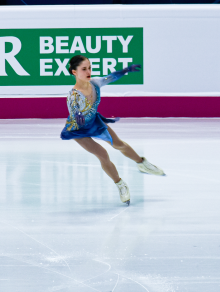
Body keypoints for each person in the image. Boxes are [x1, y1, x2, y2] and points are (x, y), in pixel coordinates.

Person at [60, 55, 165, 205]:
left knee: (118, 144)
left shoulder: (95, 83)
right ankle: (120, 184)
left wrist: (125, 70)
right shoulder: (73, 96)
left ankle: (142, 163)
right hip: (78, 130)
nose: (88, 71)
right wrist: (77, 116)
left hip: (94, 122)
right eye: (84, 69)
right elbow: (74, 111)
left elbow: (110, 78)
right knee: (102, 154)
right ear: (74, 72)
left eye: (89, 67)